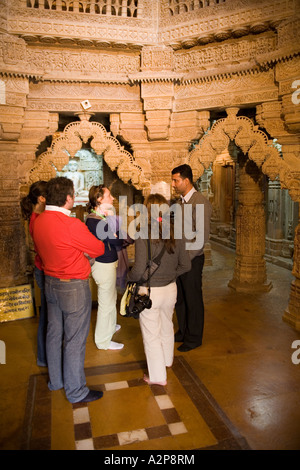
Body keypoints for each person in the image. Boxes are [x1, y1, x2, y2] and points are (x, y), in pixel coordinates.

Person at [32, 177, 105, 404]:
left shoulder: (39, 220)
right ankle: (76, 391)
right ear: (67, 198)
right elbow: (99, 248)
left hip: (50, 282)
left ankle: (56, 382)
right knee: (74, 340)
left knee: (54, 334)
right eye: (73, 195)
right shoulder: (71, 224)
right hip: (72, 286)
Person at [127, 193, 191, 386]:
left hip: (149, 291)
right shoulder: (175, 232)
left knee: (151, 335)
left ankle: (157, 377)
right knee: (167, 325)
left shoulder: (142, 233)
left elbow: (138, 269)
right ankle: (167, 361)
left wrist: (129, 278)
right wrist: (170, 275)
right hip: (170, 289)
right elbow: (186, 265)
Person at [171, 164, 212, 352]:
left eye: (175, 180)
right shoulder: (180, 203)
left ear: (186, 181)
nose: (173, 184)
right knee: (180, 298)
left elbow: (200, 238)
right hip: (179, 259)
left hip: (192, 260)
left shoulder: (200, 202)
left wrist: (185, 259)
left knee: (193, 298)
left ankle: (194, 337)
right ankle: (183, 331)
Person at [86, 185, 127, 351]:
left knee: (110, 299)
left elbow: (117, 238)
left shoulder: (99, 218)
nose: (113, 199)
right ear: (99, 199)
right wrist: (115, 231)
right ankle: (103, 341)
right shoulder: (95, 220)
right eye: (109, 196)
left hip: (107, 262)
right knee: (106, 303)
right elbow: (118, 241)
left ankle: (110, 327)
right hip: (103, 264)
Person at [20, 181, 48, 367]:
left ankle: (45, 356)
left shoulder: (39, 217)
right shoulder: (38, 220)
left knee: (48, 315)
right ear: (41, 198)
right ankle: (45, 357)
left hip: (43, 268)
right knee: (47, 317)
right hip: (45, 269)